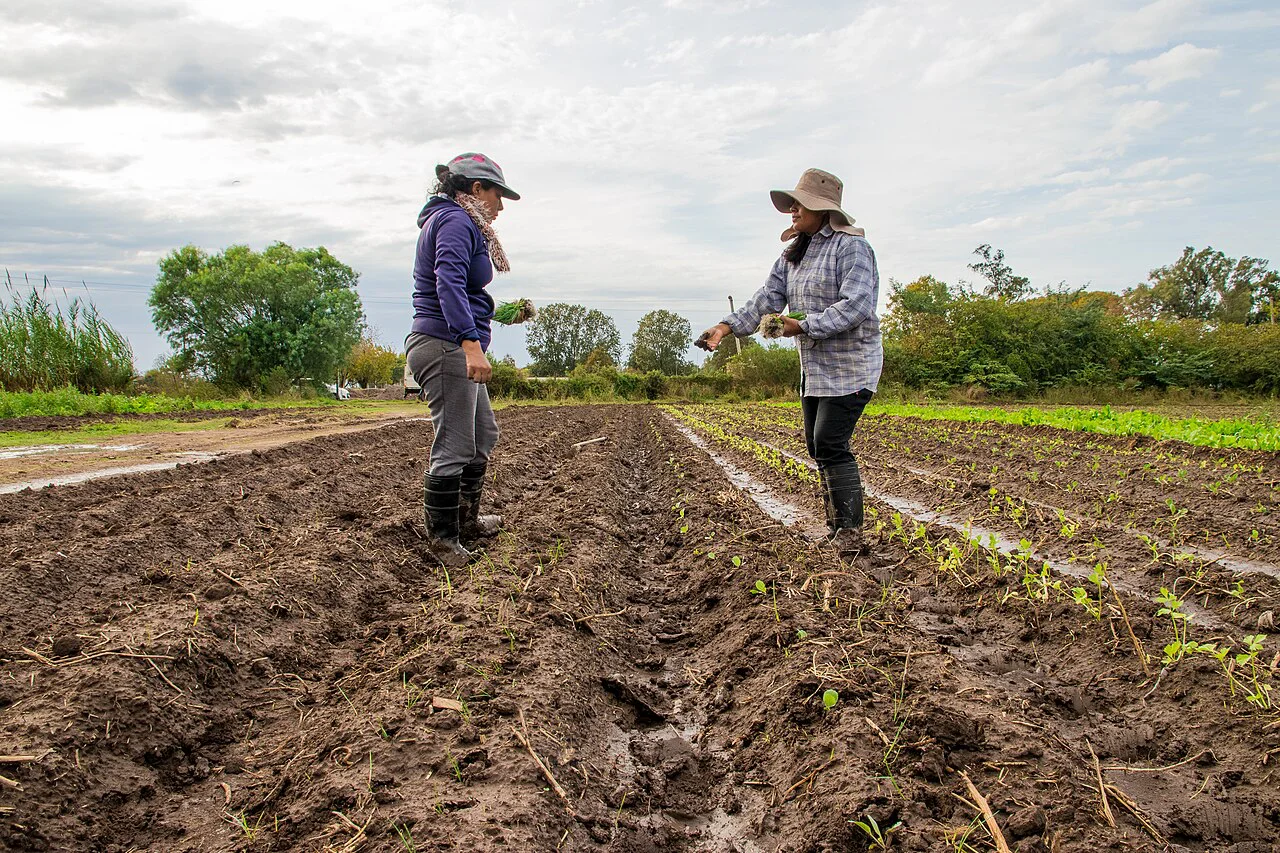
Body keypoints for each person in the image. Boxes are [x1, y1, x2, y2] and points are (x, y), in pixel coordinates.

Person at [700, 168, 882, 552]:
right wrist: (725, 327)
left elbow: (857, 306)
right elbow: (767, 299)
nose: (793, 210)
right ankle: (837, 530)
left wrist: (801, 326)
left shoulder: (853, 249)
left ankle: (849, 533)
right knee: (818, 447)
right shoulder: (792, 253)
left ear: (822, 208)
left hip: (851, 366)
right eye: (793, 204)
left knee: (830, 442)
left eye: (800, 204)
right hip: (814, 369)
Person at [406, 152, 520, 565]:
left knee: (483, 434)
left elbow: (468, 293)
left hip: (450, 340)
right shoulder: (455, 220)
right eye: (497, 195)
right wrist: (470, 344)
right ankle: (443, 542)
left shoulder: (457, 221)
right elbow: (448, 283)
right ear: (476, 189)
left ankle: (467, 521)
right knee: (455, 444)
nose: (501, 206)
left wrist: (501, 314)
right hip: (443, 344)